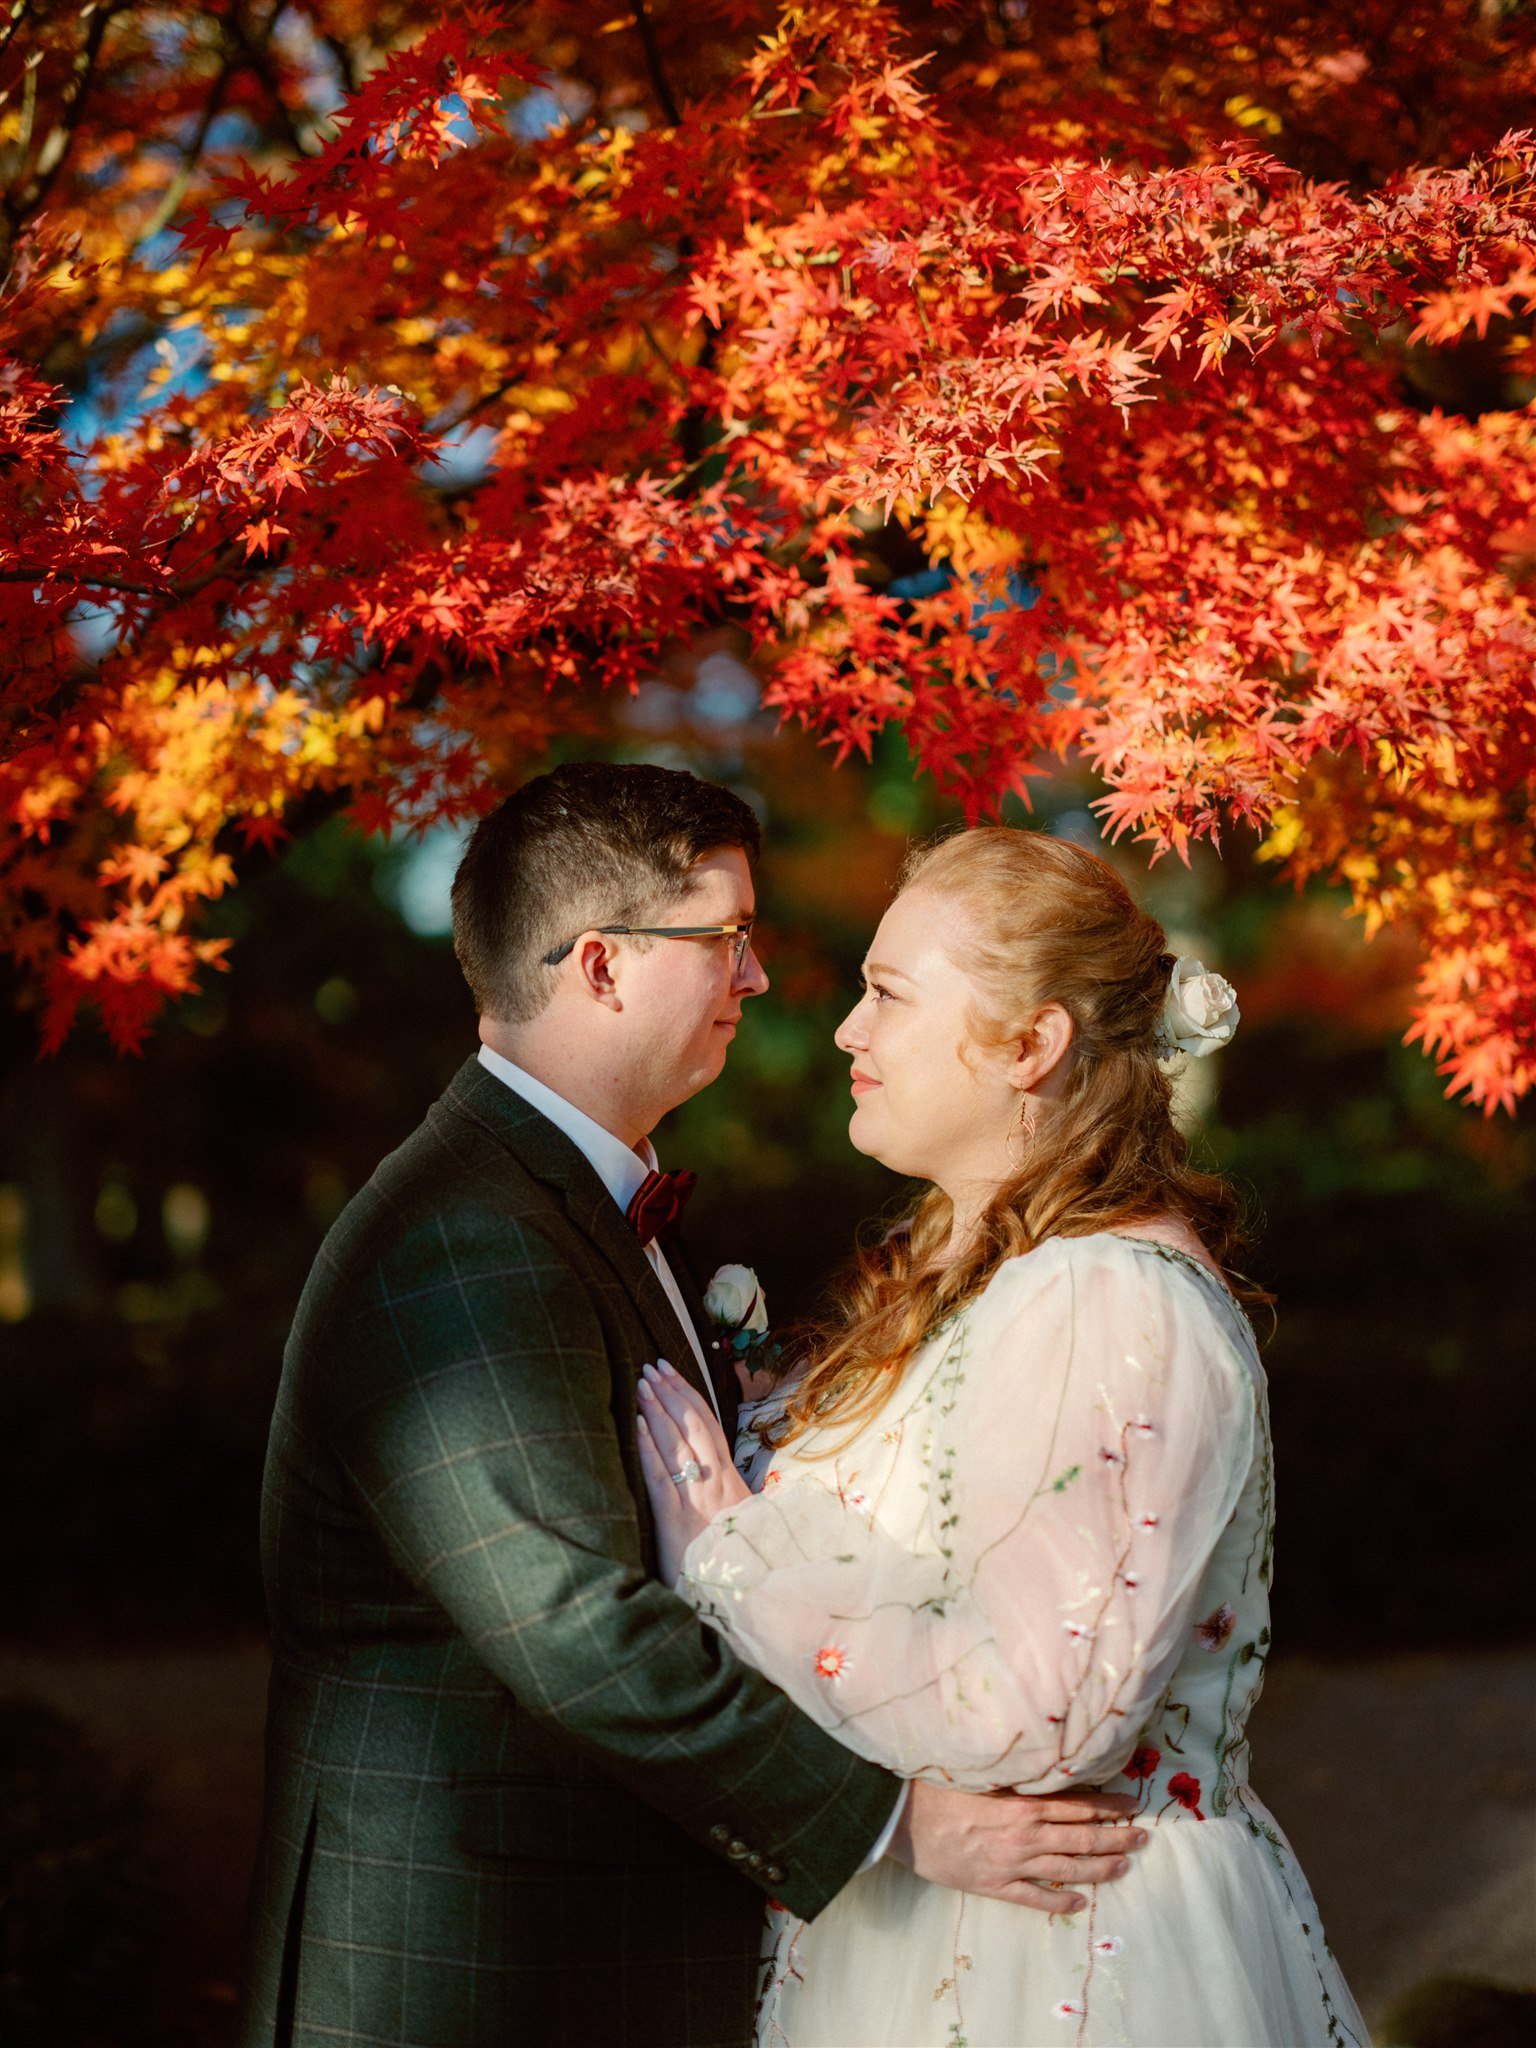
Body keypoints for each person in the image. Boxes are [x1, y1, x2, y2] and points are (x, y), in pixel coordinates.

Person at [237, 766, 1147, 2048]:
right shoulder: (464, 1241)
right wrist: (895, 1821)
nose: (761, 976)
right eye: (726, 937)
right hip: (471, 1974)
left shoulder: (575, 1199)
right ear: (601, 966)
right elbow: (576, 1629)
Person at [637, 825, 1372, 2048]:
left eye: (888, 995)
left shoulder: (1107, 1298)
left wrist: (737, 1557)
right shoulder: (1014, 1282)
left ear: (1032, 1044)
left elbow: (1040, 1709)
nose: (847, 1032)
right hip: (953, 1921)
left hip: (1059, 1949)